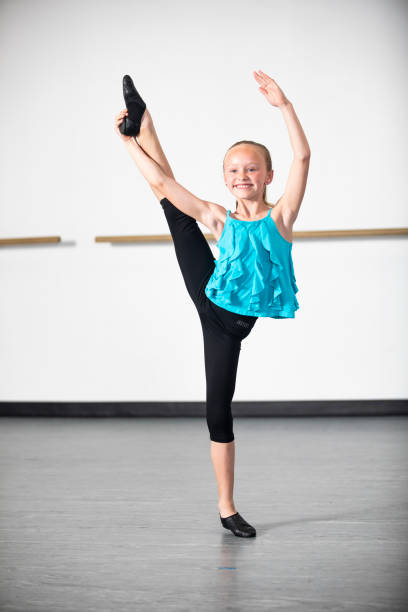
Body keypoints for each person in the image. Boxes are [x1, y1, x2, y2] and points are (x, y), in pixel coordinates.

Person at [114, 70, 311, 537]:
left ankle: (144, 125)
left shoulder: (281, 217)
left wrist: (285, 106)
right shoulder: (219, 219)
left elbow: (302, 155)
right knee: (171, 203)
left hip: (229, 326)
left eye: (251, 169)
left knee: (219, 408)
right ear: (225, 180)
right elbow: (163, 181)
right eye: (234, 170)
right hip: (211, 297)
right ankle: (227, 508)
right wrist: (127, 146)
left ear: (267, 176)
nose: (242, 176)